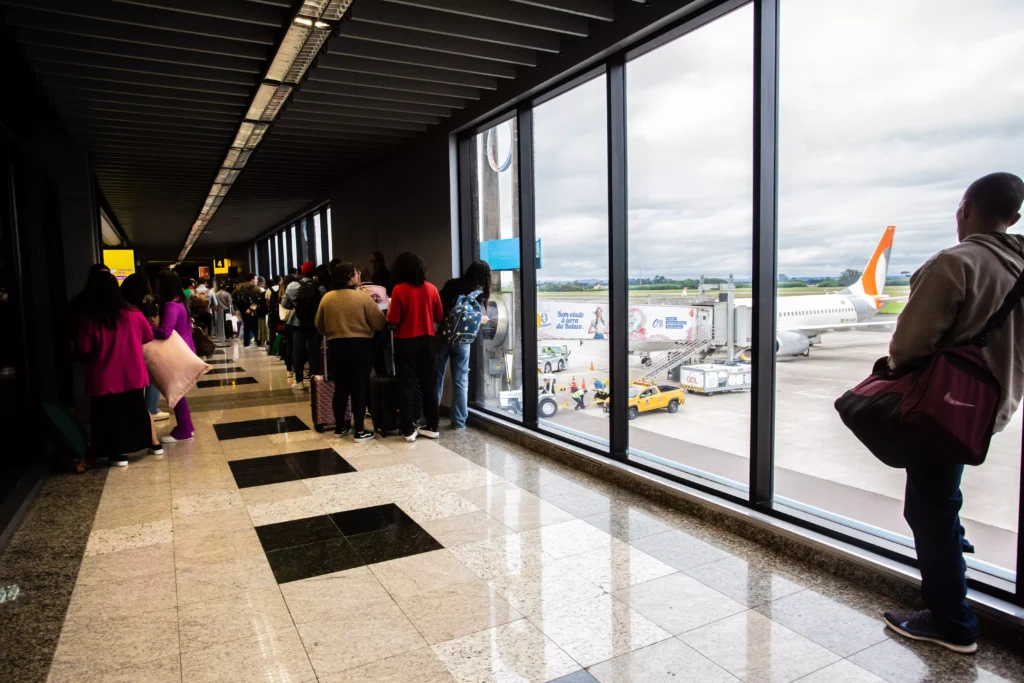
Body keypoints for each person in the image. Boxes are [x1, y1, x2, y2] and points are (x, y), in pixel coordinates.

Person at [882, 172, 1024, 654]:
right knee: (944, 495)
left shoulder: (955, 263)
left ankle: (951, 621)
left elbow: (908, 345)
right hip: (992, 405)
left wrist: (895, 369)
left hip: (945, 406)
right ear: (1016, 218)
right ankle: (955, 558)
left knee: (929, 508)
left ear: (963, 209)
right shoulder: (1020, 265)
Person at [75, 270, 159, 466]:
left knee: (107, 416)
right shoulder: (134, 314)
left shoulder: (91, 319)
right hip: (132, 373)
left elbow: (84, 348)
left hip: (104, 376)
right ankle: (137, 444)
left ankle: (116, 453)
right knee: (132, 410)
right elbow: (147, 337)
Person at [315, 262, 387, 441]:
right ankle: (360, 431)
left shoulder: (327, 298)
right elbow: (379, 323)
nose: (358, 276)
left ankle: (340, 427)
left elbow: (319, 325)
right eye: (356, 273)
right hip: (361, 346)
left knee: (340, 388)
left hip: (336, 346)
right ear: (350, 277)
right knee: (359, 388)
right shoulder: (362, 298)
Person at [386, 252, 443, 441]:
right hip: (428, 340)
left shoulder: (398, 290)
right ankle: (433, 426)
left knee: (407, 385)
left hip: (406, 341)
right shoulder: (432, 289)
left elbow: (393, 319)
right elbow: (439, 316)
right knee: (429, 385)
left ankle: (408, 429)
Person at [436, 260, 491, 430]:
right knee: (461, 381)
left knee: (436, 378)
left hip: (444, 337)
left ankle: (431, 419)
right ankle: (459, 422)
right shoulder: (479, 293)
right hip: (463, 341)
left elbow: (438, 309)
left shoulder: (452, 285)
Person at [120, 272, 170, 424]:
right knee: (152, 374)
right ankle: (151, 409)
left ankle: (137, 412)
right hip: (144, 344)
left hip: (127, 347)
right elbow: (151, 327)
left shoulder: (122, 304)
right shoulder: (146, 301)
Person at [153, 269, 196, 443]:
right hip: (185, 350)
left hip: (177, 354)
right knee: (178, 392)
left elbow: (165, 332)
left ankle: (184, 430)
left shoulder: (170, 305)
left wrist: (146, 327)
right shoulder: (181, 302)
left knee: (176, 393)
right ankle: (187, 426)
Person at [282, 262, 322, 389]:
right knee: (314, 352)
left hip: (298, 323)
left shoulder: (293, 286)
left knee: (297, 352)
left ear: (301, 272)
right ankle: (314, 382)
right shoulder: (320, 288)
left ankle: (299, 381)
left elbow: (285, 304)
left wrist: (297, 305)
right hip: (315, 324)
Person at [233, 273, 262, 348]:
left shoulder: (240, 288)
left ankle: (246, 342)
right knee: (256, 326)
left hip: (243, 310)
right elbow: (261, 297)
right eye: (256, 279)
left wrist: (238, 307)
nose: (256, 280)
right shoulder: (256, 288)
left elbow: (233, 295)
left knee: (246, 326)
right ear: (252, 279)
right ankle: (257, 341)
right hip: (253, 310)